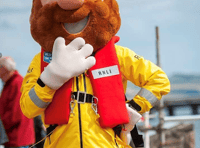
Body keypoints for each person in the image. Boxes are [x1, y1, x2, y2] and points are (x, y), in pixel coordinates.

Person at [20, 0, 170, 148]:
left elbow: (159, 80)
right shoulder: (41, 61)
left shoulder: (119, 55)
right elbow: (28, 108)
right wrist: (49, 80)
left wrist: (133, 107)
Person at [0, 56, 35, 148]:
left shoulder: (17, 83)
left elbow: (16, 114)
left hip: (19, 139)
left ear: (4, 68)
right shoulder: (9, 84)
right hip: (12, 139)